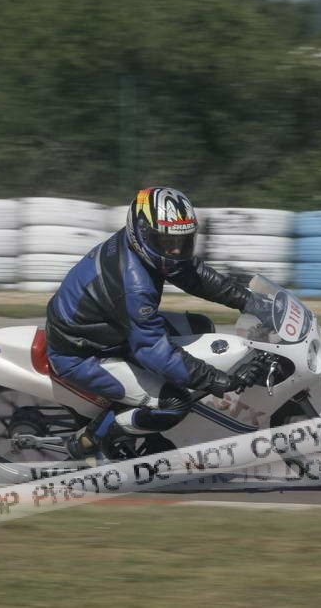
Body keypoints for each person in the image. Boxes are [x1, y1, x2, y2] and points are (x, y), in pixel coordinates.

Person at [45, 186, 264, 464]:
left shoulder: (141, 247)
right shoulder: (134, 283)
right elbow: (152, 350)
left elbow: (195, 274)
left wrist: (249, 300)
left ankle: (144, 427)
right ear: (142, 234)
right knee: (174, 403)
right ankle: (90, 441)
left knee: (200, 326)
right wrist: (217, 380)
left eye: (183, 241)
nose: (176, 250)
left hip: (108, 329)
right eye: (167, 242)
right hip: (83, 353)